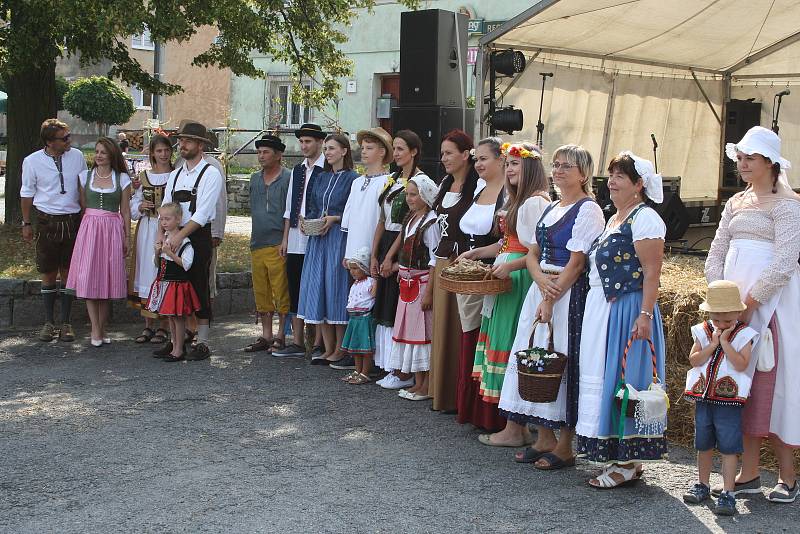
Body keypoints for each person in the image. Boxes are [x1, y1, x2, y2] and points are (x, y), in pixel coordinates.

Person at [705, 126, 800, 503]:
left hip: (772, 306)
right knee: (739, 382)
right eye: (740, 158)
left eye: (751, 158)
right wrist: (720, 298)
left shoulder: (788, 206)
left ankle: (788, 476)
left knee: (773, 383)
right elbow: (716, 250)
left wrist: (750, 303)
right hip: (732, 305)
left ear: (770, 163)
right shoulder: (735, 203)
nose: (742, 165)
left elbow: (784, 261)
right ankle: (749, 472)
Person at [495, 144, 605, 467]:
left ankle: (565, 444)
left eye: (566, 166)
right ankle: (544, 436)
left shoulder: (588, 210)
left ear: (584, 174)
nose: (557, 170)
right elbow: (531, 253)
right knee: (537, 357)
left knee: (562, 357)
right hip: (544, 287)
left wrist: (549, 294)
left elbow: (576, 262)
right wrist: (540, 283)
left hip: (567, 293)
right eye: (555, 165)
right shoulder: (551, 207)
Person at [575, 152, 668, 488]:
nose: (611, 181)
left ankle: (627, 460)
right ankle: (618, 454)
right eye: (610, 175)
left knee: (625, 376)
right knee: (606, 375)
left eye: (620, 177)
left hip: (628, 306)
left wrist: (644, 314)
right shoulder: (615, 217)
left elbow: (652, 272)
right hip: (603, 306)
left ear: (638, 184)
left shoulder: (645, 219)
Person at [463, 140, 550, 446]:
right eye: (509, 164)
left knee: (512, 342)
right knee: (507, 341)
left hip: (520, 279)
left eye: (517, 164)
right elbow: (507, 245)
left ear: (531, 167)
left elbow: (535, 252)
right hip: (508, 272)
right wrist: (477, 253)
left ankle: (516, 428)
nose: (511, 169)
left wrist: (510, 268)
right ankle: (516, 426)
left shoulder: (534, 202)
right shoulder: (520, 200)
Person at [682, 280, 756, 516]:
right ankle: (702, 483)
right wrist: (713, 344)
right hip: (704, 398)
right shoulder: (702, 332)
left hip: (729, 400)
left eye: (727, 320)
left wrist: (725, 343)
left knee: (728, 446)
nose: (722, 325)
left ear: (738, 313)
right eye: (717, 320)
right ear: (709, 314)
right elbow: (694, 360)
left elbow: (742, 364)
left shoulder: (744, 335)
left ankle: (728, 492)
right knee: (703, 443)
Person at [158, 121, 224, 361]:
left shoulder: (211, 173)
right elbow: (164, 208)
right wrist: (161, 236)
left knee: (198, 287)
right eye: (180, 140)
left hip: (196, 236)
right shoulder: (175, 174)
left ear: (200, 144)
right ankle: (177, 341)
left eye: (186, 141)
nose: (181, 145)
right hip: (173, 235)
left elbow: (202, 213)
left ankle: (203, 342)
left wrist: (179, 236)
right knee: (174, 288)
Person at [428, 129, 484, 414]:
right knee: (443, 327)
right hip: (442, 261)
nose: (444, 158)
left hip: (464, 263)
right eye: (442, 153)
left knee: (459, 329)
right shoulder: (445, 184)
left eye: (449, 153)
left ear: (466, 155)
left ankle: (456, 396)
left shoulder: (478, 189)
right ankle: (440, 391)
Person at [20, 119, 87, 342]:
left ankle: (66, 323)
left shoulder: (76, 156)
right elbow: (27, 193)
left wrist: (86, 215)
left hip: (72, 220)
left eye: (69, 136)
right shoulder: (32, 161)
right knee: (48, 272)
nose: (70, 140)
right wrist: (26, 223)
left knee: (68, 272)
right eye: (64, 138)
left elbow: (82, 187)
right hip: (46, 221)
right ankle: (49, 323)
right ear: (50, 142)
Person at [297, 133, 358, 365]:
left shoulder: (352, 179)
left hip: (337, 239)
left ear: (344, 151)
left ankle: (341, 348)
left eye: (332, 148)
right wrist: (306, 222)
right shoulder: (320, 178)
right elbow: (312, 206)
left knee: (335, 289)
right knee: (318, 289)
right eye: (326, 149)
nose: (328, 152)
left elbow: (353, 212)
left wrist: (335, 218)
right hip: (318, 240)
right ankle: (328, 347)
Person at [65, 137, 132, 346]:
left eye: (103, 152)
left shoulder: (122, 179)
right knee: (89, 277)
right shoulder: (85, 176)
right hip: (91, 230)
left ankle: (102, 329)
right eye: (97, 151)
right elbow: (84, 205)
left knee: (106, 281)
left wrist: (126, 236)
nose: (99, 155)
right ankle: (95, 329)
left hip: (112, 229)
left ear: (112, 154)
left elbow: (126, 211)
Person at [372, 130, 423, 390]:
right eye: (395, 148)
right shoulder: (391, 179)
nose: (397, 153)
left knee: (396, 305)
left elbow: (408, 224)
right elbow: (382, 219)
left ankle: (402, 369)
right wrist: (374, 253)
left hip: (402, 244)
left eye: (401, 148)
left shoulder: (420, 181)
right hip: (385, 243)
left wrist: (392, 257)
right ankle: (385, 363)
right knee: (383, 304)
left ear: (413, 151)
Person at [386, 175, 441, 400]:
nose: (409, 198)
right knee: (411, 334)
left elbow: (435, 259)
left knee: (423, 335)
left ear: (426, 195)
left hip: (422, 284)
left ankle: (427, 385)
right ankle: (418, 383)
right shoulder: (411, 219)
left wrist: (429, 292)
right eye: (407, 194)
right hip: (407, 285)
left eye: (413, 194)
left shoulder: (432, 222)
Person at [274, 123, 326, 358]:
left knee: (315, 286)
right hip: (295, 236)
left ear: (319, 143)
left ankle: (318, 342)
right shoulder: (297, 170)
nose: (304, 146)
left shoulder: (327, 169)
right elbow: (288, 208)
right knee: (294, 285)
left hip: (316, 236)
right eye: (302, 142)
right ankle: (296, 341)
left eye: (308, 142)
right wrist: (285, 238)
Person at [243, 134, 291, 353]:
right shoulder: (254, 179)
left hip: (277, 242)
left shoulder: (288, 178)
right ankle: (266, 334)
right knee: (261, 291)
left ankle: (281, 334)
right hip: (257, 242)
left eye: (266, 152)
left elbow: (290, 212)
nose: (261, 156)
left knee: (281, 290)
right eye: (259, 152)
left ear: (278, 155)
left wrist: (285, 240)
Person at [130, 135, 173, 345]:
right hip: (147, 229)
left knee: (163, 273)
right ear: (153, 154)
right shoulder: (143, 177)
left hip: (167, 231)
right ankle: (147, 326)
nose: (163, 154)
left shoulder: (176, 176)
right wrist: (139, 207)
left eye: (166, 150)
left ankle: (164, 327)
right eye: (159, 151)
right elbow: (133, 205)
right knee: (147, 273)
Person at [146, 202, 201, 362]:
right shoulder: (163, 239)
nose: (164, 222)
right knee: (170, 317)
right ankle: (174, 344)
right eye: (161, 219)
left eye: (167, 219)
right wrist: (157, 252)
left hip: (177, 284)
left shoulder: (184, 242)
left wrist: (169, 253)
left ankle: (178, 349)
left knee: (178, 317)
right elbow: (156, 263)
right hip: (164, 283)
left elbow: (186, 264)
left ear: (178, 219)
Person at [341, 128, 392, 262]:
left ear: (382, 152)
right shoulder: (357, 182)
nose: (363, 151)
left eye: (369, 148)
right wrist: (348, 252)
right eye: (362, 147)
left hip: (373, 248)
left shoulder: (388, 181)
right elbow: (351, 220)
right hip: (354, 248)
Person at [339, 247, 377, 384]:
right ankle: (357, 370)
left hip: (364, 318)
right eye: (351, 269)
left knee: (364, 348)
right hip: (354, 318)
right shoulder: (355, 283)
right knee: (355, 347)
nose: (352, 272)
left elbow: (373, 295)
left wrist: (376, 279)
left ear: (364, 268)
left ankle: (365, 372)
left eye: (356, 268)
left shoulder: (370, 282)